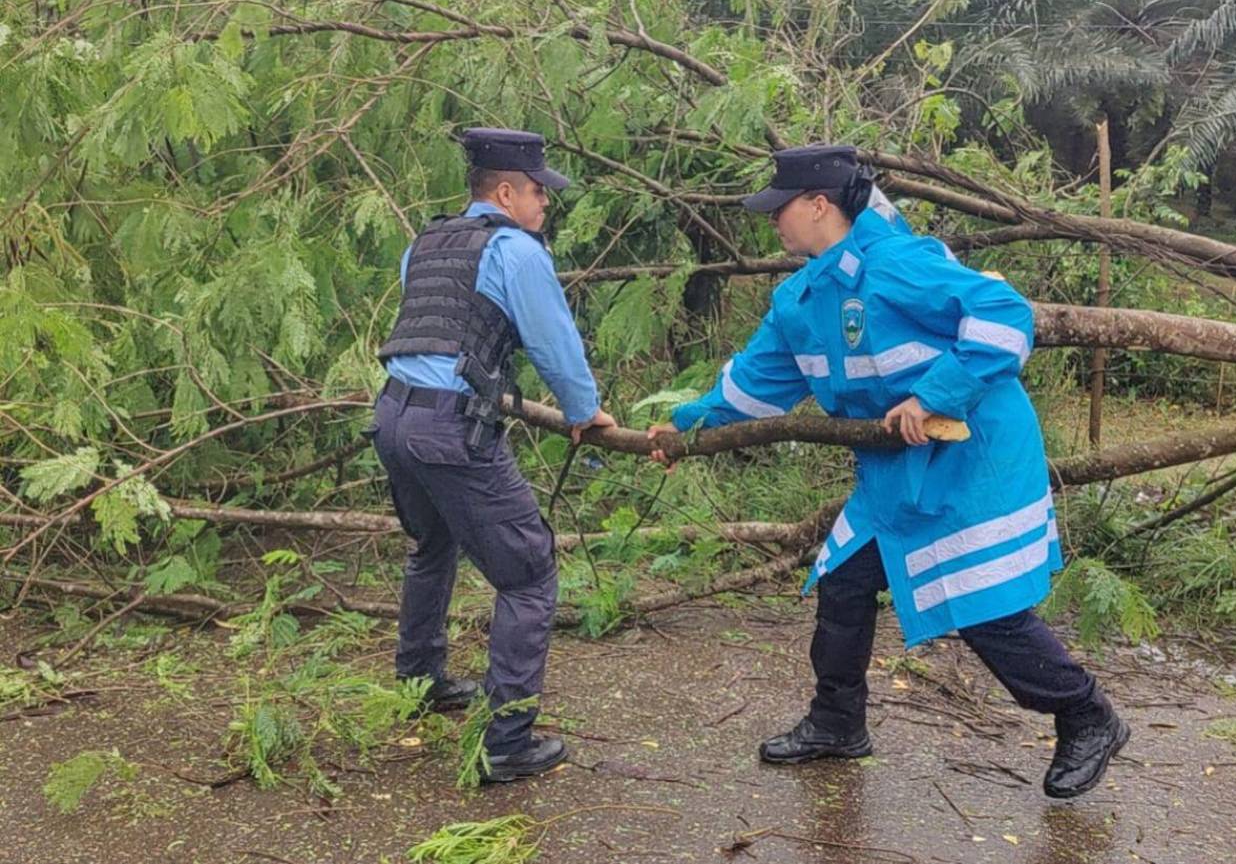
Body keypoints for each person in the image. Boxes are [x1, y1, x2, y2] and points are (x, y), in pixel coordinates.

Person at [647, 144, 1128, 799]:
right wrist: (685, 428)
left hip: (972, 460)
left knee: (983, 606)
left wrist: (934, 393)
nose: (772, 222)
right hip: (894, 476)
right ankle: (838, 722)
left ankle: (1086, 712)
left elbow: (1006, 315)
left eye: (779, 209)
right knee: (843, 581)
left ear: (819, 206)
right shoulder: (800, 299)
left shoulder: (900, 263)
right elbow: (755, 389)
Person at [372, 128, 616, 783]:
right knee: (530, 572)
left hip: (393, 415)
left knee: (433, 544)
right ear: (506, 191)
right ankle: (505, 740)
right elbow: (553, 343)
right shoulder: (516, 250)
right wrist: (583, 410)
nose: (545, 204)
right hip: (448, 428)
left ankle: (419, 683)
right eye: (539, 191)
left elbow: (437, 329)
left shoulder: (426, 244)